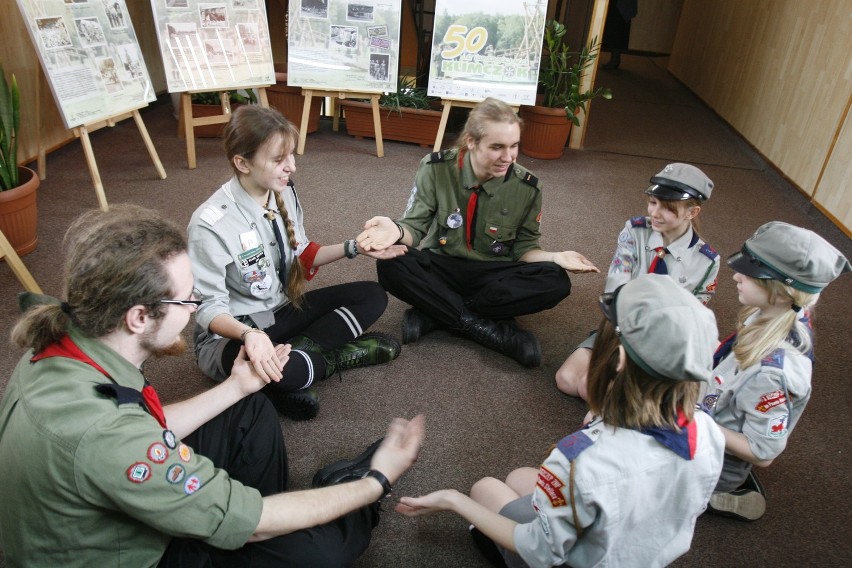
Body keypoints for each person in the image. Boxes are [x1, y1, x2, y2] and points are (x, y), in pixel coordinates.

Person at [0, 205, 425, 567]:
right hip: (137, 553)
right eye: (189, 300)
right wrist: (378, 481)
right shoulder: (106, 438)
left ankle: (251, 527)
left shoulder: (64, 339)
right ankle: (340, 490)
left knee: (248, 407)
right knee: (327, 551)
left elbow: (137, 423)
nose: (196, 308)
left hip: (101, 501)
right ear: (138, 317)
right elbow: (116, 439)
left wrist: (237, 387)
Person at [396, 275, 725, 568]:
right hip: (638, 550)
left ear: (619, 359)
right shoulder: (708, 430)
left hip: (567, 556)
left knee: (484, 489)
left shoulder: (578, 460)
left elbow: (540, 552)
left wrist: (454, 500)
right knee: (521, 478)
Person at [188, 105, 406, 421]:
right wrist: (252, 337)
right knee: (293, 372)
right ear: (242, 162)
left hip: (280, 312)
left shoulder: (283, 191)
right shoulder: (210, 224)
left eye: (291, 155)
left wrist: (353, 248)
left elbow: (301, 255)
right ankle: (325, 361)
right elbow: (208, 308)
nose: (291, 166)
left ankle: (296, 362)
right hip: (234, 335)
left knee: (373, 295)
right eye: (278, 159)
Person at [357, 97, 599, 368]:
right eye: (497, 147)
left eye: (514, 146)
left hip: (494, 275)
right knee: (391, 264)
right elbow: (415, 228)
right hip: (443, 266)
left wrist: (556, 257)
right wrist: (396, 229)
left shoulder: (528, 187)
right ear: (471, 141)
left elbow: (524, 249)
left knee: (556, 280)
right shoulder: (435, 168)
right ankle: (491, 331)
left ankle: (438, 313)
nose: (508, 157)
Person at [703, 221, 850, 521]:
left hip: (712, 459)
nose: (736, 276)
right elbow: (733, 367)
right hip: (712, 405)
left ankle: (719, 493)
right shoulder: (774, 313)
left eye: (751, 273)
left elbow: (762, 452)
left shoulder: (771, 374)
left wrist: (692, 423)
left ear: (782, 292)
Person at [556, 162, 719, 399]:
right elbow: (616, 286)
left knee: (593, 390)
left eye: (667, 208)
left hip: (661, 342)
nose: (654, 213)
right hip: (620, 324)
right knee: (567, 381)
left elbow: (690, 319)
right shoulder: (635, 231)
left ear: (692, 212)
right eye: (653, 203)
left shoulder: (707, 261)